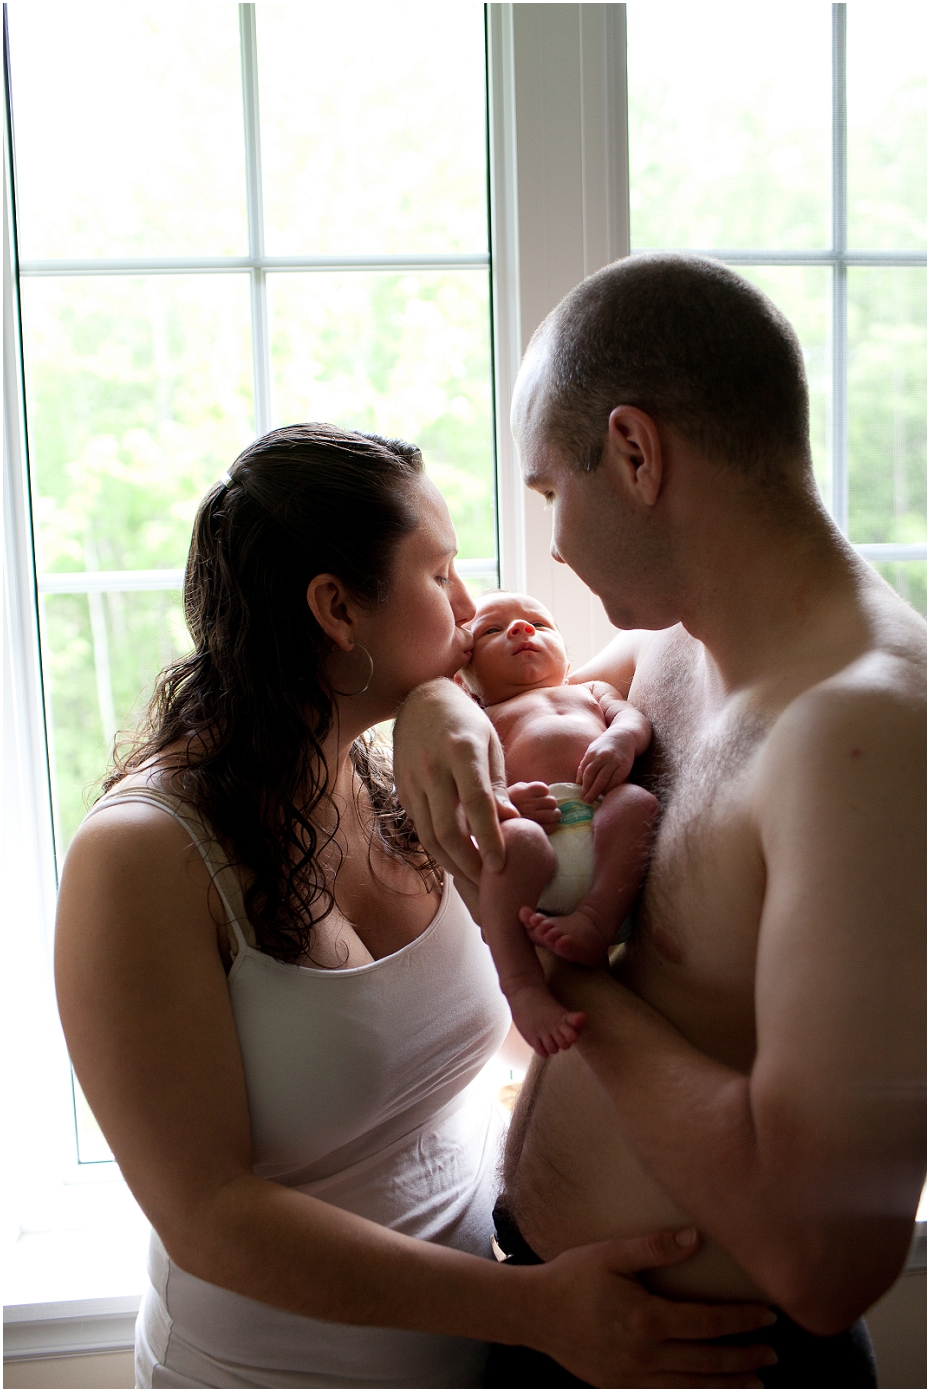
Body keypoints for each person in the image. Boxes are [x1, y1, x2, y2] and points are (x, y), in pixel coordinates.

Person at [54, 422, 779, 1389]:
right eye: (440, 577)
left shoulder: (393, 781)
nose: (472, 608)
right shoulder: (141, 857)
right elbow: (208, 1218)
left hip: (482, 1354)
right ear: (335, 608)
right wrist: (542, 1310)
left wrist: (443, 701)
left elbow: (643, 660)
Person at [393, 254, 926, 1388]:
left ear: (636, 454)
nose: (554, 546)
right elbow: (514, 720)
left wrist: (555, 978)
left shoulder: (863, 736)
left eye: (551, 493)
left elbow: (827, 1258)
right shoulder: (677, 641)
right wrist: (433, 703)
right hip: (559, 1316)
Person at [458, 590, 657, 1055]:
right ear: (466, 684)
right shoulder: (481, 720)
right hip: (538, 856)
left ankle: (595, 923)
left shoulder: (591, 691)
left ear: (567, 659)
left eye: (540, 624)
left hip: (607, 839)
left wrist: (622, 740)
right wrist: (505, 803)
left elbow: (631, 720)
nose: (522, 629)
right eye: (492, 630)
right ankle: (523, 987)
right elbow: (466, 802)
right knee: (514, 840)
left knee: (636, 801)